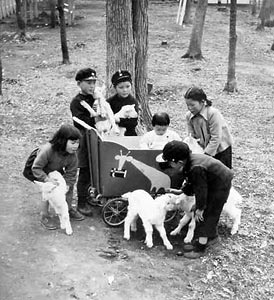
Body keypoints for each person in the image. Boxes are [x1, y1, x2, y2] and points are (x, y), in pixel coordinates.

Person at [156, 140, 233, 259]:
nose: (170, 166)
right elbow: (193, 182)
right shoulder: (190, 163)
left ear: (179, 162)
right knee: (206, 214)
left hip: (219, 186)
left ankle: (200, 248)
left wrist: (200, 208)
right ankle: (211, 238)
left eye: (170, 163)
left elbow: (201, 189)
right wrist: (183, 191)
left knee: (205, 217)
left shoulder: (196, 168)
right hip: (211, 182)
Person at [32, 124, 83, 230]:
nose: (76, 146)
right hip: (40, 170)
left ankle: (67, 209)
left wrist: (67, 185)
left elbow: (71, 173)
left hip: (55, 170)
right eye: (72, 143)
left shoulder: (72, 155)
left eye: (77, 143)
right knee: (47, 191)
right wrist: (46, 179)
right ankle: (44, 216)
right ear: (62, 141)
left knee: (68, 186)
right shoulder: (47, 151)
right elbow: (36, 168)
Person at [70, 67, 98, 217]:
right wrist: (95, 117)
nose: (91, 86)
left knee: (95, 169)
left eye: (93, 82)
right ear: (79, 83)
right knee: (85, 170)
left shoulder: (95, 97)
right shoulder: (77, 102)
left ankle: (89, 196)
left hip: (96, 137)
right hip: (84, 139)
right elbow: (80, 122)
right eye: (88, 82)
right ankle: (81, 202)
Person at [184, 86, 233, 168]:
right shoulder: (189, 116)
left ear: (202, 102)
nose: (190, 108)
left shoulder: (212, 114)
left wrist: (206, 155)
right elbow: (191, 137)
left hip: (220, 150)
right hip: (203, 150)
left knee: (221, 175)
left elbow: (216, 137)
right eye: (187, 105)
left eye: (192, 105)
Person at [107, 70, 139, 136]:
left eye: (127, 86)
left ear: (131, 86)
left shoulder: (133, 102)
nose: (125, 90)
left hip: (129, 134)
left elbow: (134, 122)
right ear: (115, 88)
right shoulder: (110, 102)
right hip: (112, 134)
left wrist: (119, 121)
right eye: (121, 87)